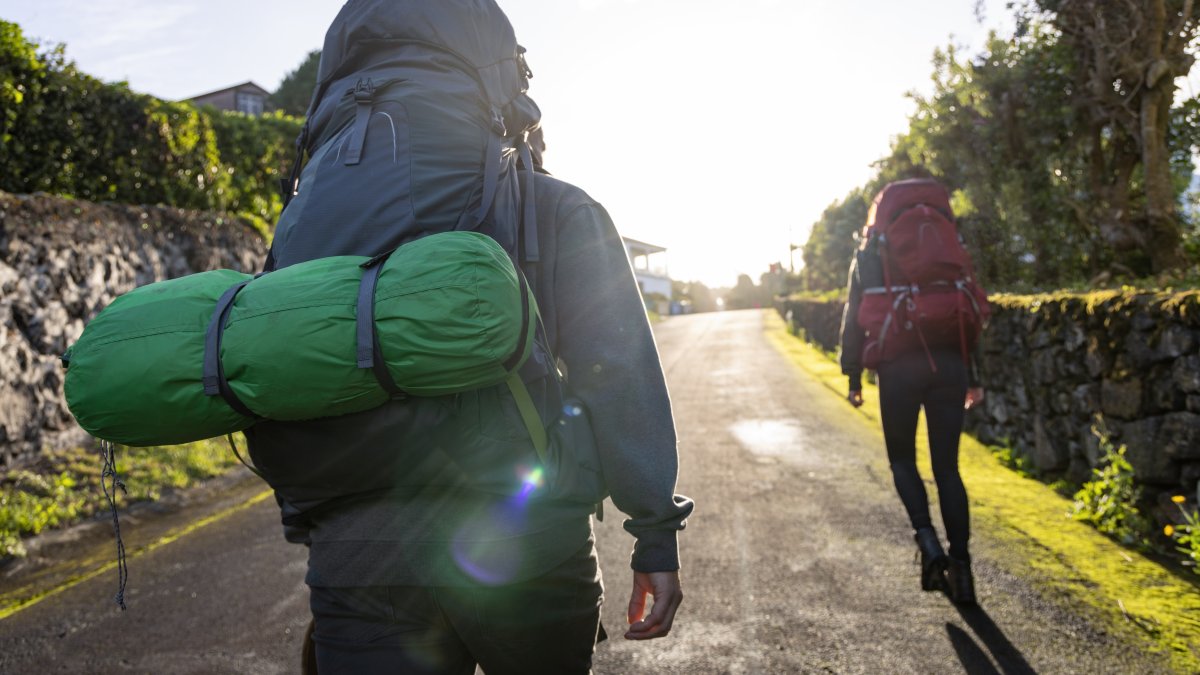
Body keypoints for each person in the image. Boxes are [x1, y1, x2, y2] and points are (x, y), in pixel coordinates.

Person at [248, 103, 691, 675]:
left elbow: (277, 367)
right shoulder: (554, 205)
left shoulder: (309, 219)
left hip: (356, 556)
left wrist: (313, 526)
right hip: (530, 550)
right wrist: (655, 532)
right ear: (510, 105)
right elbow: (616, 375)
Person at [837, 180, 984, 605]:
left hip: (898, 367)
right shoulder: (948, 243)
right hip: (950, 365)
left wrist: (853, 377)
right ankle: (963, 571)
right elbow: (969, 309)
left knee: (902, 459)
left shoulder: (870, 250)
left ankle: (928, 542)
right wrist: (974, 374)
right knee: (948, 470)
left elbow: (853, 315)